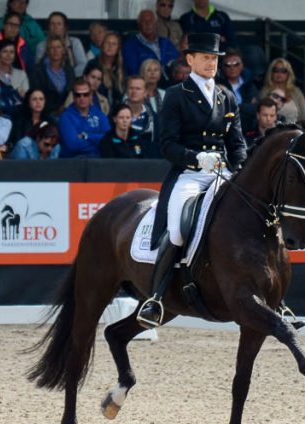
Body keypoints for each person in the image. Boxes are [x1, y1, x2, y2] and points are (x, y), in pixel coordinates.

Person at [137, 33, 247, 328]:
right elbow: (167, 145)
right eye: (206, 57)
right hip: (190, 174)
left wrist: (240, 168)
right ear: (190, 59)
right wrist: (197, 158)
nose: (211, 63)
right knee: (178, 229)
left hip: (222, 173)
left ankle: (274, 297)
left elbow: (237, 143)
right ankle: (156, 297)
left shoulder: (226, 95)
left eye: (214, 58)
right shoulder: (177, 94)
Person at [58, 77, 110, 158]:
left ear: (91, 95)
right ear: (73, 96)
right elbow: (73, 145)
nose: (82, 98)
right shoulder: (65, 117)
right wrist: (97, 144)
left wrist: (86, 136)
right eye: (78, 95)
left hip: (97, 161)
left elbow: (108, 140)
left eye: (85, 94)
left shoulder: (100, 115)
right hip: (73, 162)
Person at [122, 9, 178, 77]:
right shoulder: (130, 45)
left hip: (170, 80)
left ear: (156, 24)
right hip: (145, 81)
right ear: (139, 25)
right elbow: (134, 71)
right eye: (144, 21)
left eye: (151, 21)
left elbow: (177, 63)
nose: (148, 24)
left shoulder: (166, 42)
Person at [30, 34, 75, 116]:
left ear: (63, 50)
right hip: (45, 113)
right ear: (47, 51)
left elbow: (72, 92)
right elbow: (36, 94)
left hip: (67, 112)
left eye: (58, 47)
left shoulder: (69, 70)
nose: (56, 51)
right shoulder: (38, 71)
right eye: (52, 47)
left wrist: (65, 107)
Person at [259, 58, 305, 129]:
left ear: (288, 73)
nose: (279, 73)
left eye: (283, 71)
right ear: (271, 73)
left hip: (295, 131)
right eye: (276, 70)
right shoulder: (264, 92)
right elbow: (261, 117)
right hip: (272, 131)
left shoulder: (296, 92)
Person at [35, 11, 87, 77]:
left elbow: (83, 65)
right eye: (52, 24)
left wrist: (67, 77)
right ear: (48, 27)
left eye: (59, 24)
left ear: (65, 27)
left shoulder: (75, 42)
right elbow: (38, 68)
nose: (55, 27)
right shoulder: (41, 46)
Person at [217, 48, 259, 131]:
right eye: (227, 65)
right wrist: (245, 107)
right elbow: (223, 111)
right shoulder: (218, 86)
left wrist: (234, 106)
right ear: (222, 67)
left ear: (242, 65)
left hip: (250, 129)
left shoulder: (250, 84)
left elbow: (254, 109)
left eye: (236, 64)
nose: (232, 68)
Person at [86, 32, 124, 109]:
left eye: (114, 44)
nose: (110, 46)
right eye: (107, 43)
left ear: (118, 48)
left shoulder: (122, 66)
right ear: (102, 45)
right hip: (97, 107)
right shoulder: (93, 64)